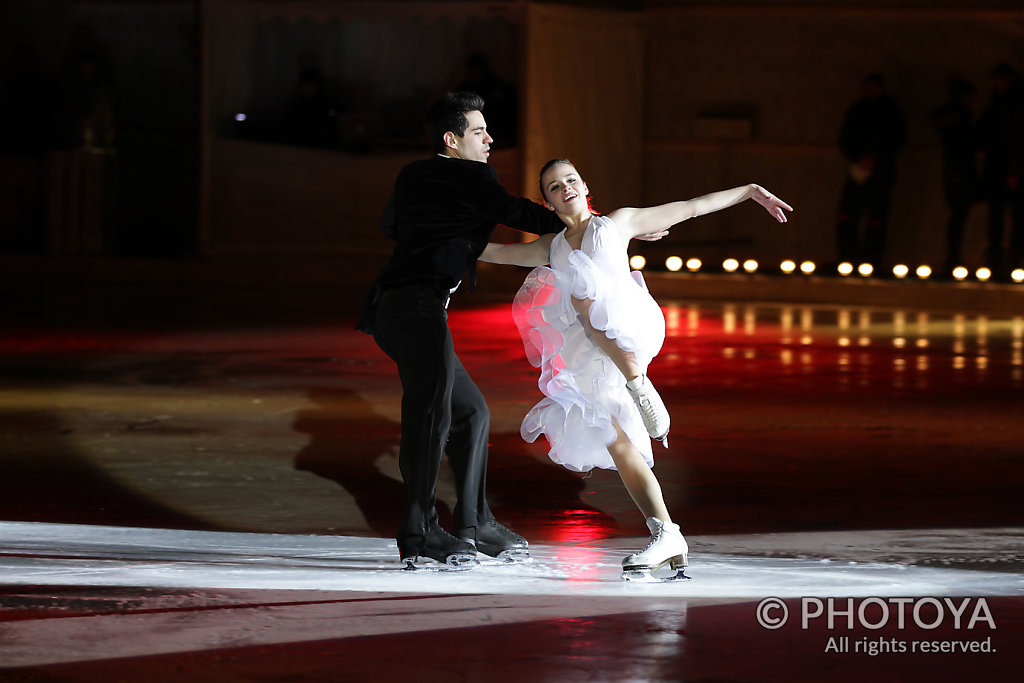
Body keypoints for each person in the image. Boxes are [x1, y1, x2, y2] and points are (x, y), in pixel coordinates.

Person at [479, 159, 792, 580]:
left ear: (585, 186)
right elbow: (493, 252)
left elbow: (692, 206)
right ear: (548, 202)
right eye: (555, 186)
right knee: (618, 442)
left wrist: (750, 189)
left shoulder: (618, 223)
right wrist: (433, 233)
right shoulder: (551, 246)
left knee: (589, 297)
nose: (565, 188)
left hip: (629, 324)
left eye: (571, 180)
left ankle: (640, 384)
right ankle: (667, 534)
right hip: (591, 352)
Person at [355, 93, 567, 569]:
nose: (490, 139)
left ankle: (475, 524)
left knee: (469, 414)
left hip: (394, 309)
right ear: (451, 140)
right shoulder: (472, 176)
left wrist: (449, 233)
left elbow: (392, 225)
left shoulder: (414, 175)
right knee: (430, 418)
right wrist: (586, 222)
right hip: (416, 306)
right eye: (478, 131)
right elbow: (518, 214)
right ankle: (420, 532)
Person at [834, 73, 905, 266]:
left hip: (882, 172)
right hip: (858, 170)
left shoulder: (890, 111)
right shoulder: (857, 110)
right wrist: (859, 158)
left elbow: (896, 139)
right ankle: (848, 257)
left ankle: (871, 260)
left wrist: (876, 159)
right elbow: (845, 139)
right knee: (847, 216)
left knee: (877, 218)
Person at [975, 63, 1024, 275]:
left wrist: (1015, 171)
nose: (997, 84)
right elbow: (985, 129)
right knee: (996, 216)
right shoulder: (996, 103)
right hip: (996, 167)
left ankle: (1014, 259)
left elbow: (1018, 138)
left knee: (1018, 216)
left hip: (1012, 168)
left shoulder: (1016, 104)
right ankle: (995, 259)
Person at [930, 76, 979, 273]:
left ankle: (953, 255)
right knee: (959, 213)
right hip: (960, 168)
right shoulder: (959, 114)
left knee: (958, 214)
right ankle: (953, 256)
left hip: (956, 167)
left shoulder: (955, 114)